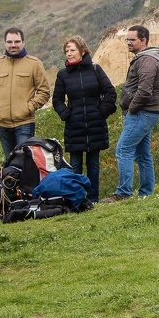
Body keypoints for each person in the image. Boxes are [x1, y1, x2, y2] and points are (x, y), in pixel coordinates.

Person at [104, 25, 159, 202]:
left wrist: (131, 109)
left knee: (123, 150)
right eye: (128, 39)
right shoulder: (145, 59)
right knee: (142, 154)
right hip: (146, 113)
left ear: (143, 40)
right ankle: (146, 193)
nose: (129, 43)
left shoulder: (146, 61)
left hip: (142, 113)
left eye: (132, 40)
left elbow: (144, 90)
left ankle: (124, 192)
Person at [52, 35, 117, 203]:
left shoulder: (96, 70)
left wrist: (102, 112)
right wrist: (67, 115)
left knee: (93, 164)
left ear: (82, 51)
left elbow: (110, 92)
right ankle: (77, 199)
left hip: (95, 124)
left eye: (72, 50)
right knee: (75, 164)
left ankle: (93, 198)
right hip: (74, 126)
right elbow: (57, 100)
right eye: (66, 51)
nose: (69, 53)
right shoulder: (63, 75)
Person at [0, 27, 50, 158]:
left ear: (23, 43)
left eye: (17, 41)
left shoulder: (34, 64)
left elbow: (44, 92)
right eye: (9, 42)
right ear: (5, 43)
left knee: (24, 162)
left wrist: (28, 108)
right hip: (2, 124)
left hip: (24, 124)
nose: (13, 45)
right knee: (10, 163)